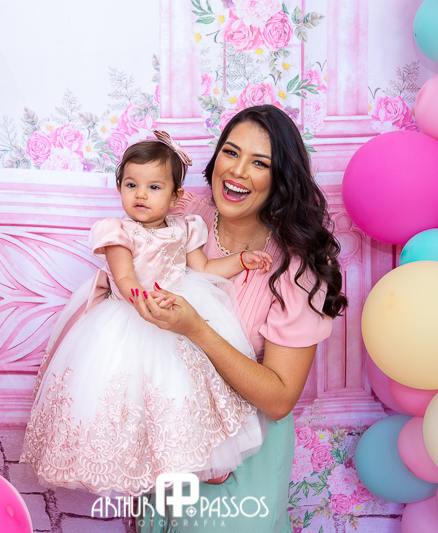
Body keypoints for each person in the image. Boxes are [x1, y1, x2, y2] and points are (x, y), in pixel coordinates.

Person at [20, 131, 275, 497]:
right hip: (131, 317)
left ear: (175, 197)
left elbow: (203, 269)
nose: (140, 194)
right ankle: (134, 463)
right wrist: (142, 300)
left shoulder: (185, 228)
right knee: (129, 397)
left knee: (184, 391)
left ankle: (199, 460)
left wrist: (240, 260)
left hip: (178, 309)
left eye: (154, 187)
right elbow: (124, 278)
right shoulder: (119, 232)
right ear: (120, 187)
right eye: (131, 185)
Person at [134, 105, 347, 532]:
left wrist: (197, 329)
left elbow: (280, 398)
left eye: (260, 163)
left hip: (245, 455)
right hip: (169, 440)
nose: (237, 171)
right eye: (231, 153)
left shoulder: (295, 269)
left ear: (281, 179)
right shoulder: (180, 216)